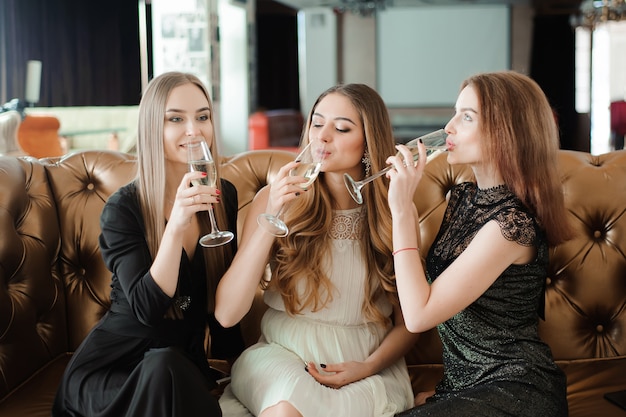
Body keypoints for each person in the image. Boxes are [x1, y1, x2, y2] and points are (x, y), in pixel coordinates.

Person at [215, 83, 418, 417]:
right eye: (316, 123)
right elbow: (227, 313)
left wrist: (366, 367)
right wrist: (272, 216)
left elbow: (410, 321)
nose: (322, 137)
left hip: (365, 363)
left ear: (369, 141)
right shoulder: (275, 199)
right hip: (282, 355)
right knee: (286, 405)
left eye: (341, 128)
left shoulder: (395, 209)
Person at [52, 71, 245, 417]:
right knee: (162, 368)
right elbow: (147, 309)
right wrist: (176, 227)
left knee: (168, 367)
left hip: (178, 368)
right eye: (176, 119)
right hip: (112, 374)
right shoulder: (123, 208)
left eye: (203, 117)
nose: (194, 130)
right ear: (152, 128)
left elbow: (221, 293)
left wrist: (239, 368)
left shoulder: (222, 195)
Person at [386, 71, 575, 417]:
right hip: (467, 385)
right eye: (456, 113)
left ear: (506, 133)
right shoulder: (465, 198)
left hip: (517, 386)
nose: (449, 127)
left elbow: (418, 315)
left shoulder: (509, 226)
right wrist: (405, 202)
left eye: (466, 117)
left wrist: (400, 213)